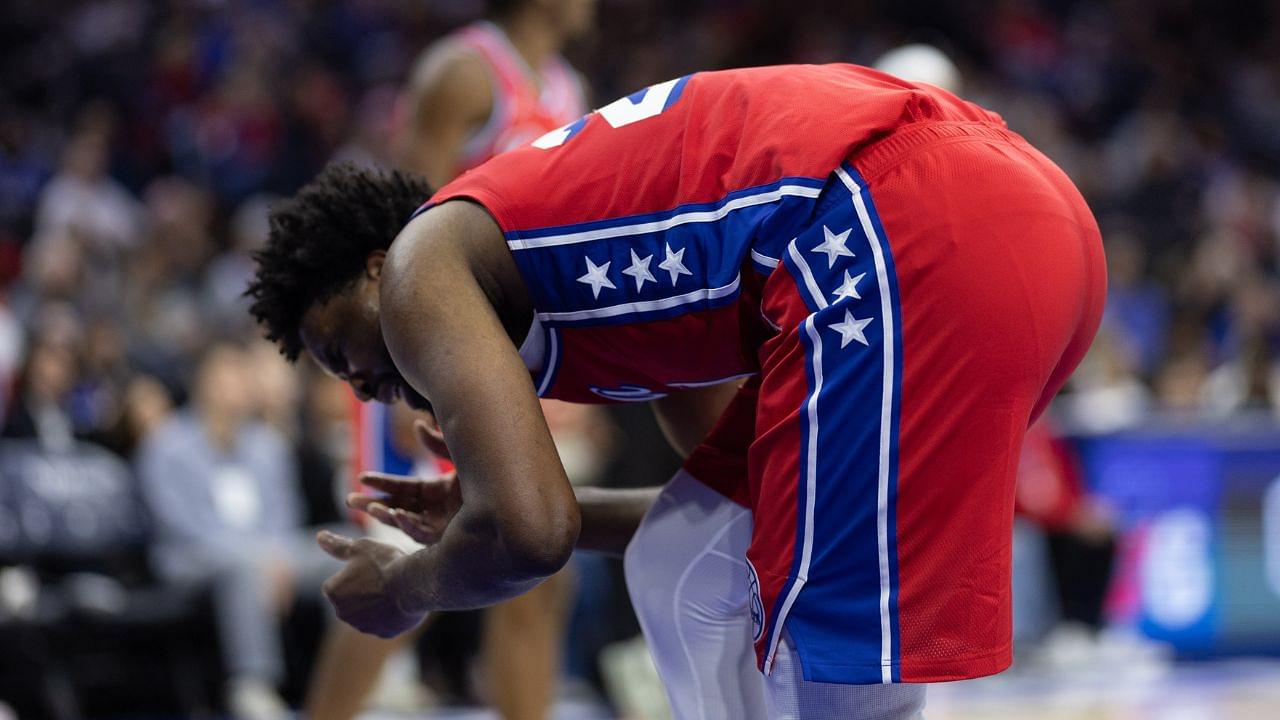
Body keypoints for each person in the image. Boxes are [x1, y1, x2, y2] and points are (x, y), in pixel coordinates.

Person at [246, 63, 1106, 719]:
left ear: (374, 267)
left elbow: (528, 533)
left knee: (824, 665)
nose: (361, 382)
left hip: (896, 226)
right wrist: (496, 518)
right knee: (685, 566)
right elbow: (749, 516)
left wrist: (405, 588)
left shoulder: (418, 265)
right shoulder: (596, 295)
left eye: (339, 347)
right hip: (1025, 220)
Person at [306, 1, 594, 718]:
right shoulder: (463, 72)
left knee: (541, 571)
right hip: (434, 352)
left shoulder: (568, 87)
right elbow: (401, 229)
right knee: (407, 563)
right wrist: (414, 376)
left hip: (510, 357)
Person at [135, 345, 343, 720]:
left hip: (269, 556)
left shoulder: (268, 446)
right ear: (203, 383)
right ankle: (253, 686)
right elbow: (177, 523)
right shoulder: (166, 444)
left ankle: (362, 673)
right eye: (225, 376)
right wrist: (258, 559)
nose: (235, 386)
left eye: (241, 377)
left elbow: (285, 515)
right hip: (191, 558)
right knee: (244, 568)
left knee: (345, 549)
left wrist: (274, 558)